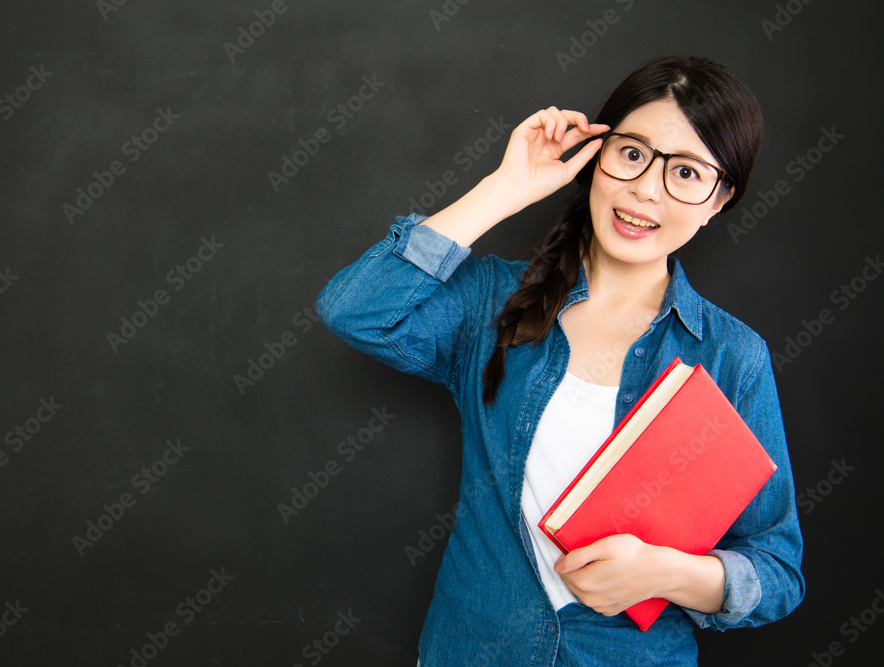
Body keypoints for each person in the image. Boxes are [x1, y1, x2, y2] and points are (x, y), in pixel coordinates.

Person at [317, 55, 804, 665]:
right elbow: (355, 310)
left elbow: (777, 570)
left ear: (718, 199)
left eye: (686, 173)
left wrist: (666, 573)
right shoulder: (493, 304)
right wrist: (506, 189)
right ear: (596, 154)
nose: (646, 189)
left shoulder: (733, 356)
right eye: (631, 154)